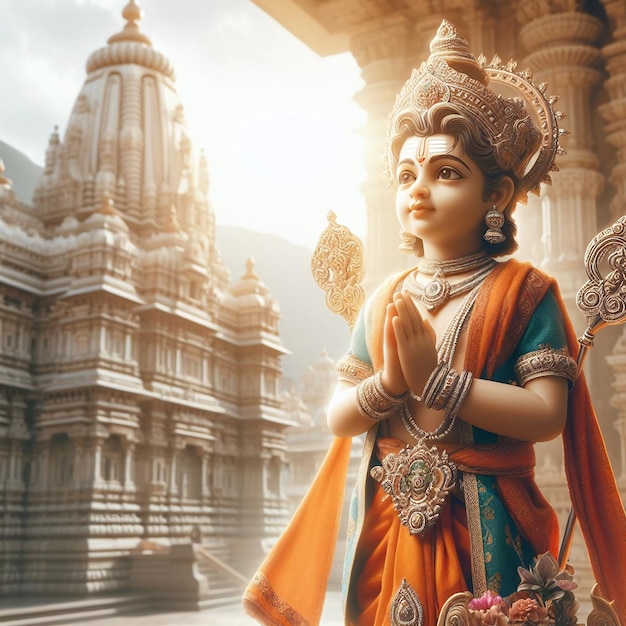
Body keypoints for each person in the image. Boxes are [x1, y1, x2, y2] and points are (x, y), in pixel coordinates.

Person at [243, 20, 626, 626]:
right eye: (405, 174)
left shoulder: (525, 293)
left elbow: (547, 414)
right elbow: (337, 416)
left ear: (496, 197)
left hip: (492, 523)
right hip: (391, 521)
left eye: (445, 173)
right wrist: (390, 384)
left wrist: (438, 382)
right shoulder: (384, 297)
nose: (418, 189)